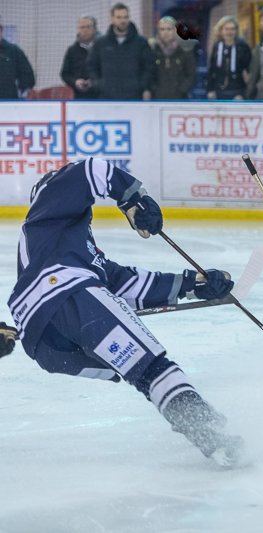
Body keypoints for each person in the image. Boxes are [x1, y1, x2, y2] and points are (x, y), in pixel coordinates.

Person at [6, 158, 242, 466]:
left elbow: (124, 283)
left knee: (142, 373)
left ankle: (207, 435)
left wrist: (192, 285)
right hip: (68, 296)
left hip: (44, 341)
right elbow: (88, 170)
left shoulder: (72, 246)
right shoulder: (48, 206)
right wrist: (133, 200)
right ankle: (205, 428)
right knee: (151, 368)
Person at [87, 3, 155, 100]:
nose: (122, 21)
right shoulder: (101, 43)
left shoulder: (141, 42)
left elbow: (148, 67)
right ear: (112, 19)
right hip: (107, 97)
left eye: (125, 17)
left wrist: (141, 86)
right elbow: (91, 65)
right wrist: (98, 84)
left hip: (134, 97)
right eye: (119, 17)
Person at [149, 16, 196, 100]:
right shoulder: (153, 52)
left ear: (175, 31)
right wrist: (155, 90)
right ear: (158, 31)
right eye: (162, 29)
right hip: (157, 99)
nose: (165, 32)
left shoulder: (185, 51)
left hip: (180, 99)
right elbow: (149, 74)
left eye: (169, 29)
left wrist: (181, 90)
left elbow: (191, 75)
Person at [206, 16, 251, 100]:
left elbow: (248, 72)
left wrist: (243, 94)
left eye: (232, 29)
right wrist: (210, 90)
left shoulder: (243, 47)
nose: (229, 32)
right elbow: (212, 70)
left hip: (237, 91)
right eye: (227, 29)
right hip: (218, 90)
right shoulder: (216, 47)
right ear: (221, 31)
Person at [60, 16, 100, 99]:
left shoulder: (102, 48)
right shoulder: (72, 50)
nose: (85, 30)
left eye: (88, 27)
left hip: (100, 96)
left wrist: (94, 82)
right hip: (78, 97)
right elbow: (65, 74)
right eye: (82, 27)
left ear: (95, 28)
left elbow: (108, 72)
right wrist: (75, 82)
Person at [0, 22, 35, 100]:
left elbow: (28, 76)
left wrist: (24, 92)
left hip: (10, 102)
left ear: (1, 28)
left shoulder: (14, 51)